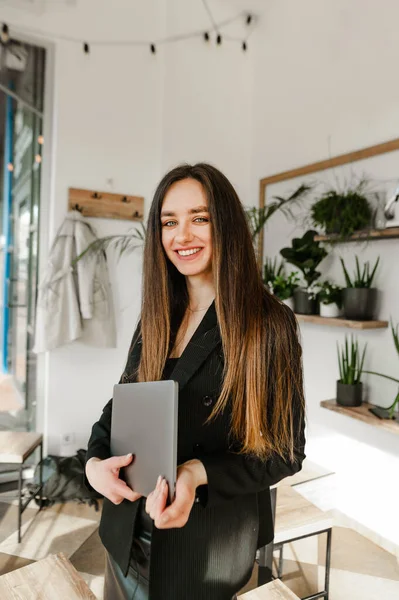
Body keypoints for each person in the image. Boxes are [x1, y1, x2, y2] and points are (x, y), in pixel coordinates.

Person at [85, 163, 306, 600]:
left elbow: (285, 453)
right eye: (170, 222)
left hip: (205, 549)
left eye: (199, 219)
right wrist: (94, 463)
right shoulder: (158, 314)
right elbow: (120, 407)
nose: (182, 236)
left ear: (225, 224)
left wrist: (195, 474)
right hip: (125, 536)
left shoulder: (268, 324)